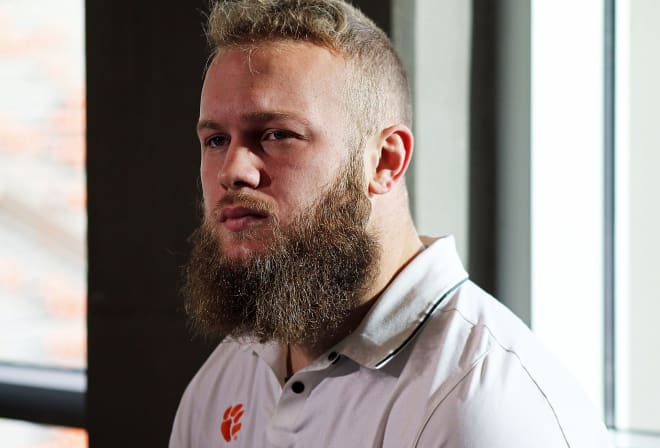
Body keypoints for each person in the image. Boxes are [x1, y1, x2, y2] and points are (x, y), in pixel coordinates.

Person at [170, 1, 613, 446]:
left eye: (277, 134)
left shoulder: (486, 409)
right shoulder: (228, 376)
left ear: (385, 160)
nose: (232, 170)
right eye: (216, 140)